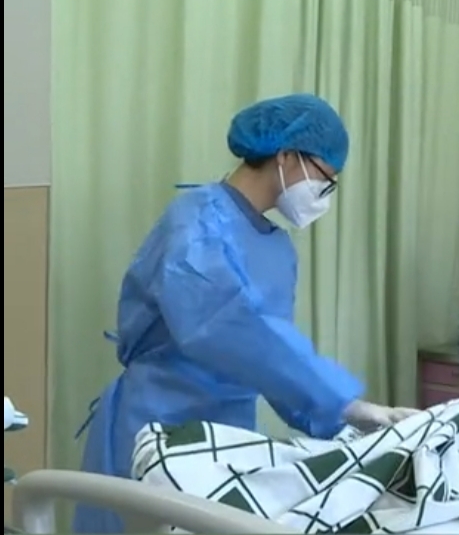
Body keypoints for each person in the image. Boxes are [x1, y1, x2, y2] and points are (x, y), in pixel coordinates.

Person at [73, 94, 420, 534]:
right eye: (325, 178)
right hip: (157, 422)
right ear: (287, 156)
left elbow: (270, 358)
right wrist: (343, 401)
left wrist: (340, 422)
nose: (324, 194)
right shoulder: (197, 222)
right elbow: (225, 326)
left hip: (230, 433)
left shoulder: (277, 248)